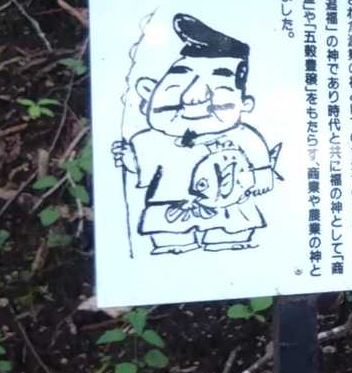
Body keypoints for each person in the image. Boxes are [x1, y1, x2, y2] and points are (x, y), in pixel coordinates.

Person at [111, 14, 280, 255]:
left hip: (228, 203)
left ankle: (227, 241)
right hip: (170, 203)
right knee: (170, 239)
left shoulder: (242, 136)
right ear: (148, 93)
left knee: (230, 235)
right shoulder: (150, 140)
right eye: (178, 80)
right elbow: (143, 169)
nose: (193, 98)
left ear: (245, 104)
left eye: (219, 84)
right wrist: (129, 159)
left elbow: (259, 163)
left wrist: (261, 177)